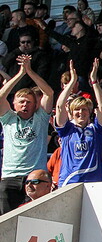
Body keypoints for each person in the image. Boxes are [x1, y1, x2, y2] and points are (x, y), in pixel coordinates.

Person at [0, 55, 55, 213]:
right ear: (14, 104)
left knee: (34, 218)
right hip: (10, 176)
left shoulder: (40, 118)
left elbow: (49, 93)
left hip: (35, 176)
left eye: (29, 102)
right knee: (6, 220)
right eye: (21, 102)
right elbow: (1, 96)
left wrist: (29, 71)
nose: (25, 105)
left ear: (35, 105)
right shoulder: (8, 118)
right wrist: (20, 74)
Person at [54, 60, 102, 186]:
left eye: (84, 109)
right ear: (71, 112)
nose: (81, 112)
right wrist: (72, 82)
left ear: (89, 112)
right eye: (77, 110)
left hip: (92, 182)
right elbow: (60, 106)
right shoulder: (66, 129)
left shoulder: (96, 129)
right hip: (69, 181)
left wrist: (94, 82)